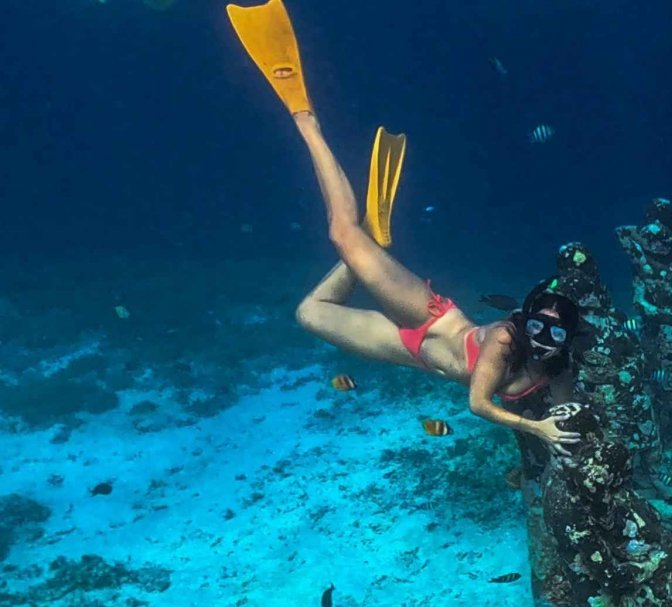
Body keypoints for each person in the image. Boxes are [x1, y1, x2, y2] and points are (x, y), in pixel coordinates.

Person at [224, 0, 580, 456]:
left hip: (416, 355)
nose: (540, 337)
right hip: (428, 319)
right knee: (341, 233)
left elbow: (565, 407)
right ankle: (306, 123)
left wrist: (565, 426)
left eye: (552, 333)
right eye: (537, 324)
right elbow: (477, 403)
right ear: (524, 318)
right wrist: (538, 431)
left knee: (309, 313)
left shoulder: (558, 364)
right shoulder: (508, 340)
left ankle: (372, 236)